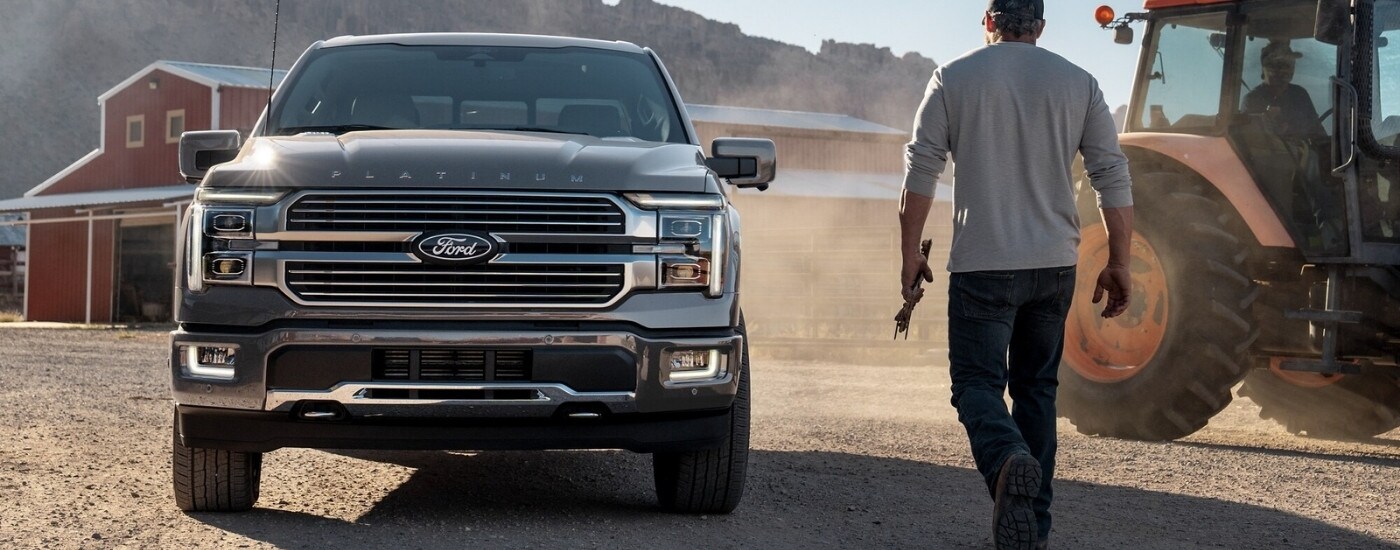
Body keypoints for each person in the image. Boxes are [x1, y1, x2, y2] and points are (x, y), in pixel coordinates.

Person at [898, 1, 1134, 548]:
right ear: (1041, 28)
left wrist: (910, 253)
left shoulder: (952, 77)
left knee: (977, 386)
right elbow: (1111, 175)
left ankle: (1007, 462)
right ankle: (1035, 529)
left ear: (988, 23)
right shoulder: (1080, 83)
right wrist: (1119, 262)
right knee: (1037, 391)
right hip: (1054, 266)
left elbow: (921, 169)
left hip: (984, 265)